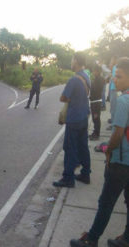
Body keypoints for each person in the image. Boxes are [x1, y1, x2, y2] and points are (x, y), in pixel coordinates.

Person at [70, 57, 129, 247]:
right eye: (113, 76)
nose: (114, 80)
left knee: (106, 203)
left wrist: (108, 150)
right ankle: (126, 238)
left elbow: (118, 134)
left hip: (120, 162)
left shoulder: (123, 101)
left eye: (118, 77)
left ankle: (92, 239)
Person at [53, 52, 91, 188]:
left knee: (69, 148)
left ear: (76, 61)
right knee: (83, 146)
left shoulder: (74, 79)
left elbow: (63, 98)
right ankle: (86, 174)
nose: (71, 62)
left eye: (72, 59)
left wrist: (70, 98)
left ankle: (68, 178)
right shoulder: (86, 76)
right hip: (84, 116)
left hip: (74, 118)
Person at [89, 64, 105, 141]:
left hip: (96, 102)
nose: (93, 72)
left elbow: (96, 90)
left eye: (94, 71)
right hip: (94, 101)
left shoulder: (99, 79)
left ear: (98, 71)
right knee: (94, 118)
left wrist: (92, 82)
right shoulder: (97, 78)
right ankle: (95, 132)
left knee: (96, 118)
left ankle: (96, 134)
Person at [107, 56, 119, 131]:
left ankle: (113, 124)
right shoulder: (114, 68)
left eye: (111, 62)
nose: (109, 64)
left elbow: (114, 79)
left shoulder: (114, 68)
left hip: (114, 90)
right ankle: (113, 120)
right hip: (113, 89)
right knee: (113, 107)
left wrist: (111, 77)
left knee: (113, 107)